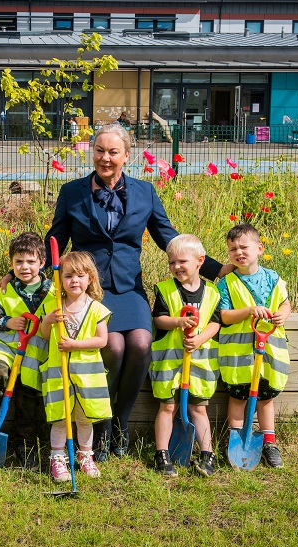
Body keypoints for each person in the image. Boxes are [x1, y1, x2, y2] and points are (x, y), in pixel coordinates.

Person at [44, 123, 232, 461]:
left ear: (126, 156)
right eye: (99, 150)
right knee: (113, 345)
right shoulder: (72, 192)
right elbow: (55, 243)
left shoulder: (145, 192)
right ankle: (99, 426)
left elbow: (167, 237)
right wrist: (23, 278)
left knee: (141, 343)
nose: (105, 157)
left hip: (130, 288)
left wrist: (218, 270)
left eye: (113, 152)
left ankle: (122, 422)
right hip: (91, 291)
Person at [0, 232, 54, 470]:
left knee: (27, 404)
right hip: (5, 347)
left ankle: (24, 446)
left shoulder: (52, 291)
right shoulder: (5, 289)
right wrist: (7, 322)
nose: (24, 267)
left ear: (41, 262)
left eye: (30, 261)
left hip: (33, 355)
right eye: (18, 262)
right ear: (11, 264)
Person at [217, 223, 292, 469]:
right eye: (232, 249)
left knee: (265, 397)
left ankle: (269, 441)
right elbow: (224, 316)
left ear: (259, 248)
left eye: (243, 247)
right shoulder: (226, 282)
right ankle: (236, 438)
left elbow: (285, 302)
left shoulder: (273, 278)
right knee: (238, 396)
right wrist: (249, 311)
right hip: (239, 354)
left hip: (268, 351)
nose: (238, 252)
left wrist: (283, 314)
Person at [149, 234, 222, 477]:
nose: (176, 267)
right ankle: (162, 452)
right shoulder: (165, 290)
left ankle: (207, 453)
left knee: (198, 409)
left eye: (182, 262)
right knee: (167, 407)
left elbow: (215, 322)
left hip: (199, 362)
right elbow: (158, 318)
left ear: (200, 261)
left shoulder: (212, 292)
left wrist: (200, 339)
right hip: (170, 361)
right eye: (171, 263)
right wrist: (178, 321)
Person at [39, 251, 111, 482]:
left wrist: (75, 345)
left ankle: (85, 455)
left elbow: (102, 340)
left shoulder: (96, 309)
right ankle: (58, 458)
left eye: (80, 275)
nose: (74, 281)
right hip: (59, 374)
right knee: (60, 418)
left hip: (87, 377)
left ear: (90, 278)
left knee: (84, 418)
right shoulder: (52, 305)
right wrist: (48, 321)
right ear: (60, 279)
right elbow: (43, 335)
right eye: (68, 276)